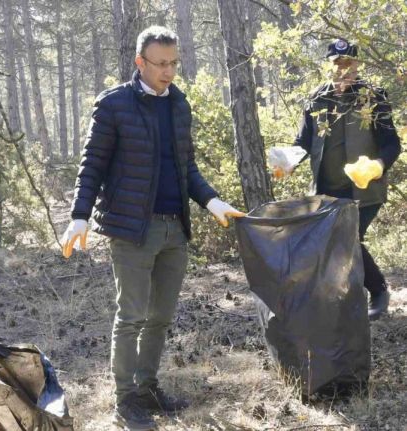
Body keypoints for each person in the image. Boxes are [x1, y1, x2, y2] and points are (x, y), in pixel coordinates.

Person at [61, 26, 244, 430]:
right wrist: (79, 215)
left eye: (174, 63)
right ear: (139, 63)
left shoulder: (179, 105)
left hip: (174, 229)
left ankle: (148, 387)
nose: (169, 72)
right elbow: (92, 164)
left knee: (160, 317)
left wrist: (213, 203)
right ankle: (125, 400)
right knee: (131, 316)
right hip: (131, 230)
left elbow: (186, 168)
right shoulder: (113, 105)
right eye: (160, 64)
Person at [276, 39, 401, 321]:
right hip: (327, 190)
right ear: (329, 65)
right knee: (335, 244)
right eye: (337, 64)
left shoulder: (373, 97)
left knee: (348, 238)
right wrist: (288, 161)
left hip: (364, 189)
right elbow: (303, 143)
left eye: (349, 64)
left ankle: (378, 291)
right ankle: (343, 300)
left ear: (357, 65)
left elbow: (392, 143)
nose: (343, 70)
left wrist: (379, 165)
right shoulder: (316, 99)